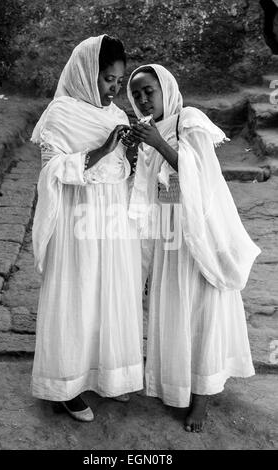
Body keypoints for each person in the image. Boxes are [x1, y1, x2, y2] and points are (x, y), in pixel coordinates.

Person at [126, 64, 261, 432]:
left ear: (165, 87)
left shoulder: (189, 120)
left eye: (148, 90)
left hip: (200, 230)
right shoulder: (149, 130)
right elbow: (164, 189)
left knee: (202, 309)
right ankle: (179, 384)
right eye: (135, 93)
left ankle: (202, 396)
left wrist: (157, 144)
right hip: (170, 230)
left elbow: (199, 177)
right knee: (173, 307)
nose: (142, 99)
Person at [30, 35, 143, 422]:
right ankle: (65, 386)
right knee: (77, 293)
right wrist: (103, 149)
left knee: (111, 290)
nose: (115, 88)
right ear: (86, 73)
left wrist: (127, 154)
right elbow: (51, 170)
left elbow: (121, 172)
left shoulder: (115, 115)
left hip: (112, 217)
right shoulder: (60, 113)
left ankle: (107, 375)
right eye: (109, 79)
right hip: (77, 216)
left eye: (119, 80)